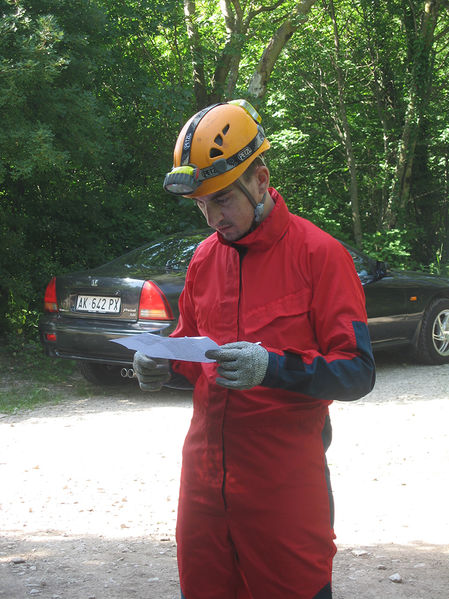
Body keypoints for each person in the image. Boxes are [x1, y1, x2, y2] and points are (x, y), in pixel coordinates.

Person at [133, 99, 376, 599]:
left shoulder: (321, 256)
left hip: (283, 489)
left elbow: (357, 373)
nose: (212, 218)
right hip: (203, 486)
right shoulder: (204, 258)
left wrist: (272, 367)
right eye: (201, 204)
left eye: (222, 199)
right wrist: (161, 361)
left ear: (260, 181)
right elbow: (196, 351)